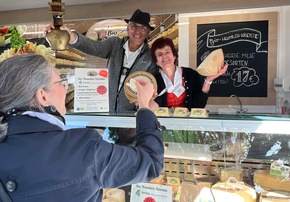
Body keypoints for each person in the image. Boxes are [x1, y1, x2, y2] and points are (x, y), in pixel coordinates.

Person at [0, 54, 164, 202]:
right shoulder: (83, 148)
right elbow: (152, 162)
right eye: (60, 82)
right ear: (42, 96)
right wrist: (145, 107)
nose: (65, 89)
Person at [45, 9, 159, 144]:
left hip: (128, 117)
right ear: (128, 27)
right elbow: (94, 47)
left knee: (125, 152)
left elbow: (152, 85)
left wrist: (146, 99)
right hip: (102, 109)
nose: (137, 31)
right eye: (133, 26)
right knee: (90, 145)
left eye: (143, 28)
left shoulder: (149, 57)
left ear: (148, 32)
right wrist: (70, 37)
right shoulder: (115, 44)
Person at [151, 37, 228, 109]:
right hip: (163, 123)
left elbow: (199, 105)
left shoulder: (190, 74)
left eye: (167, 52)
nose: (164, 56)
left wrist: (208, 80)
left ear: (174, 55)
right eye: (160, 54)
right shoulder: (153, 81)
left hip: (188, 123)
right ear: (156, 61)